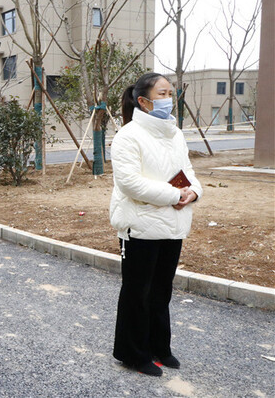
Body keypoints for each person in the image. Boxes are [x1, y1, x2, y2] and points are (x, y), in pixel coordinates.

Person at [110, 72, 203, 377]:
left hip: (172, 223)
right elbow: (129, 183)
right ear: (143, 101)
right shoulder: (128, 135)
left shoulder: (174, 134)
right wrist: (174, 194)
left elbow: (186, 170)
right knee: (137, 292)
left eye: (170, 93)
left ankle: (159, 347)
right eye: (162, 94)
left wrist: (192, 191)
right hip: (140, 226)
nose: (169, 99)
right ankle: (133, 354)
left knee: (162, 290)